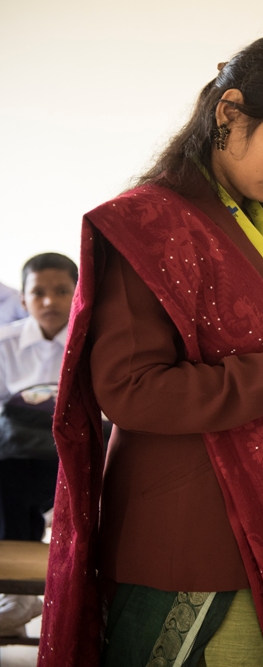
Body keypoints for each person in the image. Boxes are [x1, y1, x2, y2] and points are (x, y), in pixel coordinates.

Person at [39, 38, 263, 666]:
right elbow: (132, 392)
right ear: (230, 113)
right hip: (188, 537)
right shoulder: (147, 224)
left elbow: (260, 381)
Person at [0, 253, 77, 636]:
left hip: (74, 460)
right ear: (22, 299)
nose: (50, 301)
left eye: (62, 291)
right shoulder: (4, 344)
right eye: (39, 292)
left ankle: (80, 590)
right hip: (15, 461)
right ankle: (18, 594)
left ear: (78, 293)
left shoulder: (93, 344)